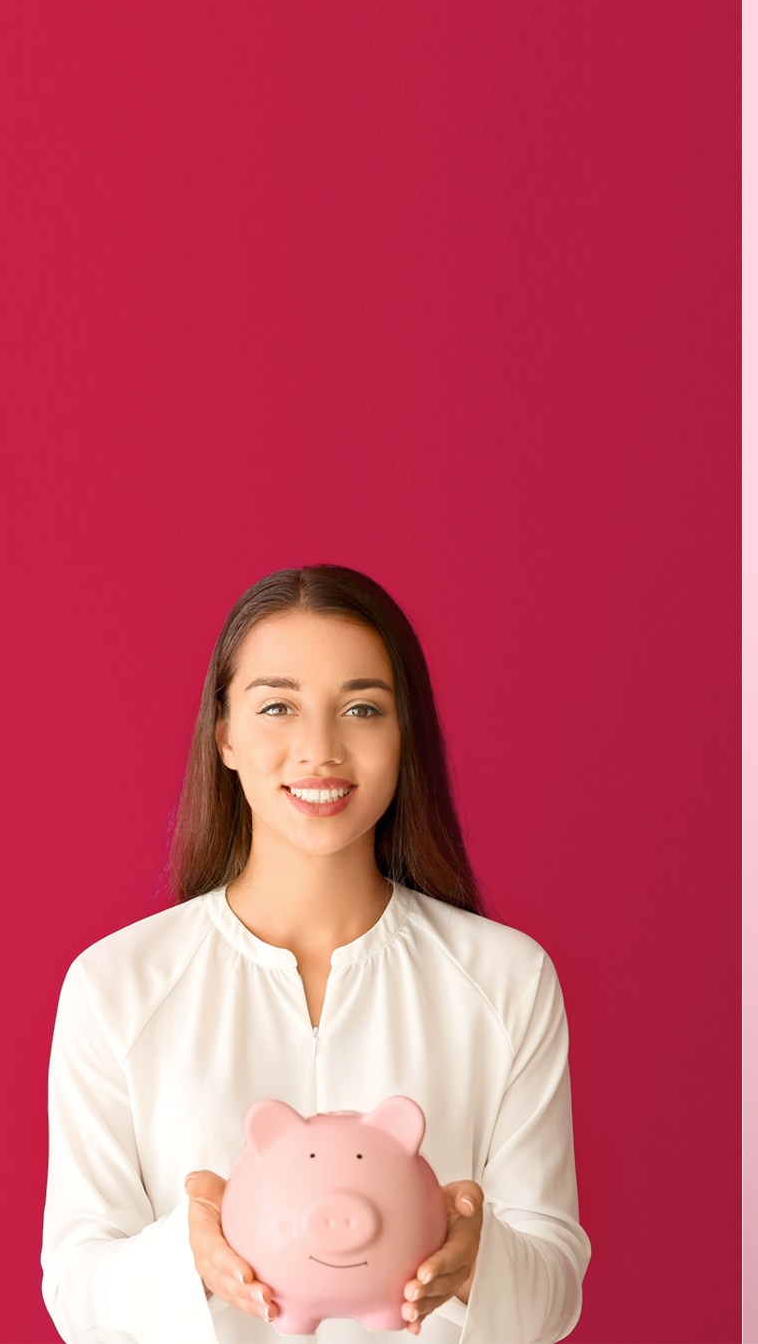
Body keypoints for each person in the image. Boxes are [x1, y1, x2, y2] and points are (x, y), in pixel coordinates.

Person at [41, 565, 584, 1343]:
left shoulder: (506, 978)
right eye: (276, 707)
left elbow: (554, 1281)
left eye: (361, 708)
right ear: (224, 734)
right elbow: (75, 1283)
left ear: (404, 736)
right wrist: (187, 1255)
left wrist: (476, 1258)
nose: (319, 749)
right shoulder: (116, 984)